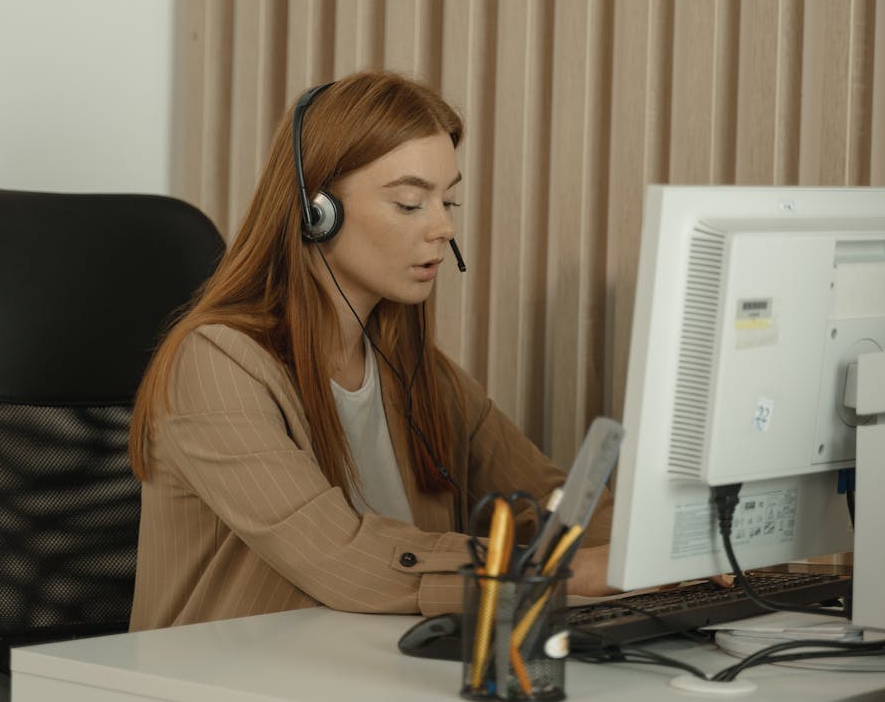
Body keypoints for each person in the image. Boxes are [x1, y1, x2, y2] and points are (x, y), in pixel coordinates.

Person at [128, 71, 616, 630]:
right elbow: (341, 559)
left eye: (448, 199)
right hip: (219, 678)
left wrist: (665, 554)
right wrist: (562, 572)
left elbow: (553, 504)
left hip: (367, 665)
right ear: (318, 214)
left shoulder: (417, 374)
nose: (443, 226)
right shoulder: (217, 365)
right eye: (410, 203)